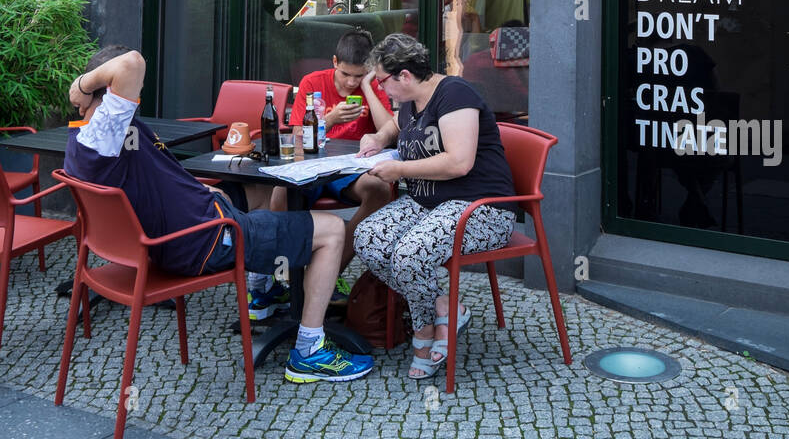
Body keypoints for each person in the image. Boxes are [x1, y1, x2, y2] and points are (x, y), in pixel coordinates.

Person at [64, 46, 373, 384]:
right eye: (132, 91)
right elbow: (132, 62)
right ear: (109, 92)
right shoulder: (104, 134)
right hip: (205, 240)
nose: (138, 95)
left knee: (263, 189)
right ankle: (309, 351)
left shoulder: (82, 140)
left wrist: (201, 191)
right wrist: (80, 85)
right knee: (332, 229)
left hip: (182, 230)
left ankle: (264, 289)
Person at [352, 33, 517, 379]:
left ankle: (424, 332)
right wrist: (378, 138)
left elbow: (459, 163)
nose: (383, 90)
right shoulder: (411, 101)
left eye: (383, 82)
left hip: (481, 208)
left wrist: (398, 169)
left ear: (405, 76)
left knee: (409, 253)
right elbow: (396, 126)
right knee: (368, 239)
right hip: (429, 203)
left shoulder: (454, 95)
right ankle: (445, 306)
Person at [249, 29, 393, 316]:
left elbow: (389, 129)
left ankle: (327, 271)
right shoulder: (312, 82)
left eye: (359, 75)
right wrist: (329, 118)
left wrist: (367, 88)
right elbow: (297, 135)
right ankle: (280, 276)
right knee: (280, 193)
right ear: (334, 61)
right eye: (345, 74)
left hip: (351, 167)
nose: (351, 81)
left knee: (380, 191)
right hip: (312, 162)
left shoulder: (371, 87)